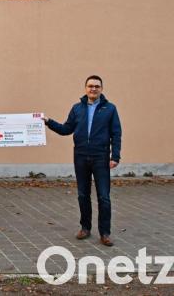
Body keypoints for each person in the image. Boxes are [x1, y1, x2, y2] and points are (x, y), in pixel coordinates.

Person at [44, 75, 122, 247]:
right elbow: (66, 129)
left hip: (100, 157)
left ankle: (105, 233)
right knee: (82, 195)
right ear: (85, 88)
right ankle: (85, 228)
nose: (93, 89)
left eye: (96, 86)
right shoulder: (77, 108)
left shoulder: (110, 109)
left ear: (101, 89)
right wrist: (49, 122)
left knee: (104, 196)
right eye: (90, 86)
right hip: (80, 157)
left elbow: (116, 134)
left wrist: (115, 156)